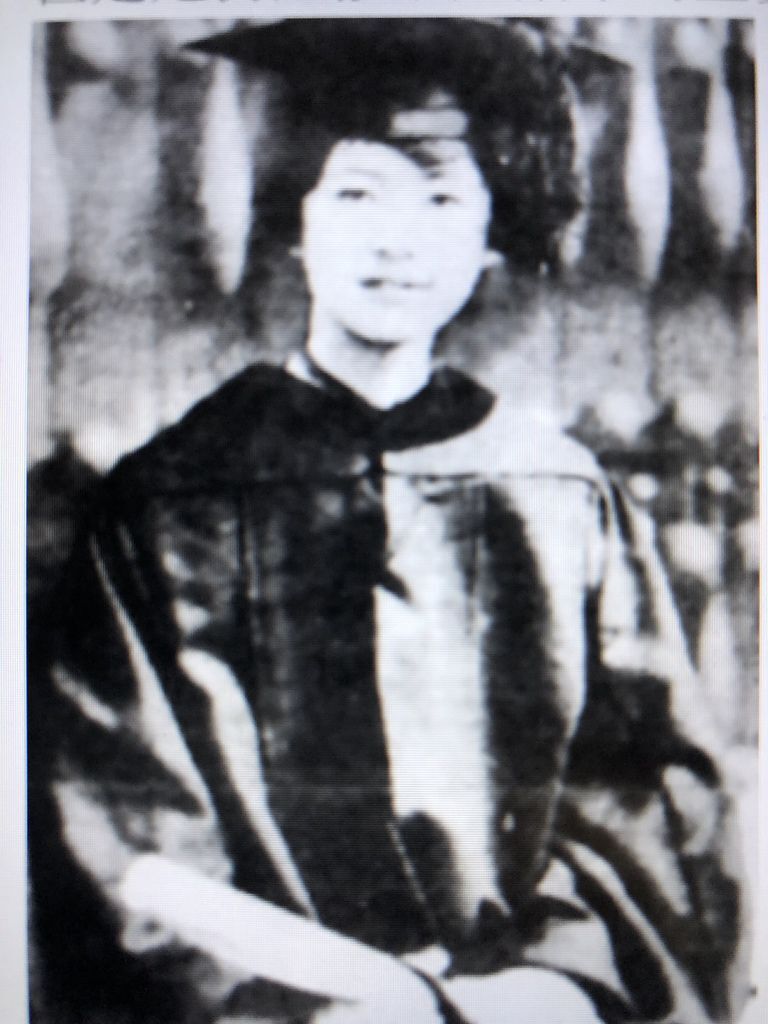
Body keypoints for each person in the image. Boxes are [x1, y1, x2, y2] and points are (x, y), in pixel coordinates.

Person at [28, 19, 747, 1024]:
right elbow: (119, 829)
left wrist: (546, 985)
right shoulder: (164, 502)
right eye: (357, 194)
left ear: (490, 233)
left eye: (443, 200)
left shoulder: (557, 495)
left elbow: (648, 806)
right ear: (296, 216)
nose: (397, 241)